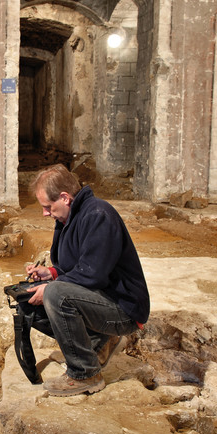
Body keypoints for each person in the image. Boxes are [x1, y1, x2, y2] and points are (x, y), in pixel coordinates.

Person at [22, 164, 149, 396]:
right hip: (101, 299)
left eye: (48, 207)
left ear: (64, 197)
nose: (45, 213)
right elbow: (74, 266)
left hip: (124, 309)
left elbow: (93, 274)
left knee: (54, 295)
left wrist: (52, 286)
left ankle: (85, 373)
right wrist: (51, 273)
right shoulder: (67, 218)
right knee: (28, 300)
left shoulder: (98, 215)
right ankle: (97, 345)